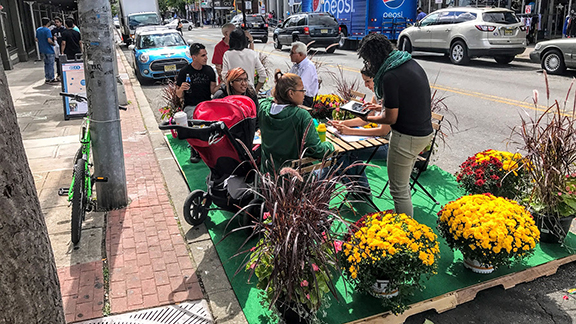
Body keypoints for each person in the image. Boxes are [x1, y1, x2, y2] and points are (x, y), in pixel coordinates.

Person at [358, 33, 433, 217]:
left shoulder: (390, 75)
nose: (368, 65)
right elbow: (406, 100)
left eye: (367, 60)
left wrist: (366, 117)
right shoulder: (408, 63)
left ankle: (405, 235)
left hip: (407, 137)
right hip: (424, 133)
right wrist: (378, 107)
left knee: (398, 190)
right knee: (403, 185)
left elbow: (390, 118)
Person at [258, 72, 333, 174]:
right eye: (302, 90)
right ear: (291, 93)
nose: (304, 93)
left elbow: (270, 99)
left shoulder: (263, 107)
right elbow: (316, 150)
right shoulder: (301, 115)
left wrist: (279, 93)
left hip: (267, 175)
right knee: (329, 169)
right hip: (294, 179)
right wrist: (330, 146)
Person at [329, 67, 390, 160]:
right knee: (343, 149)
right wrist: (342, 123)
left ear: (377, 78)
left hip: (388, 144)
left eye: (368, 81)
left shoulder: (389, 96)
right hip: (377, 139)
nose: (365, 85)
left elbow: (383, 131)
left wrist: (350, 131)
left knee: (346, 152)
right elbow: (366, 120)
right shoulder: (376, 96)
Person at [176, 43, 218, 117]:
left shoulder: (209, 70)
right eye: (203, 56)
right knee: (196, 119)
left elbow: (213, 91)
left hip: (206, 104)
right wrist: (182, 89)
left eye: (206, 55)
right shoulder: (185, 71)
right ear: (194, 57)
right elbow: (179, 95)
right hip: (191, 106)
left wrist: (223, 81)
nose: (206, 58)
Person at [222, 28, 266, 93]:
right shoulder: (252, 53)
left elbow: (224, 76)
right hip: (250, 92)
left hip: (234, 92)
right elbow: (263, 75)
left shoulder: (227, 54)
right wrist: (255, 90)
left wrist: (229, 90)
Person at [288, 41, 318, 107]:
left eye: (292, 53)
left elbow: (301, 86)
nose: (290, 55)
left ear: (300, 54)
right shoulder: (296, 65)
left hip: (304, 99)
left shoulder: (308, 67)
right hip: (294, 94)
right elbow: (288, 79)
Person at [36, 17, 57, 84]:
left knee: (46, 64)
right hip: (49, 49)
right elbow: (49, 40)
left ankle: (47, 77)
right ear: (48, 23)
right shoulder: (47, 30)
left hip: (42, 49)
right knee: (51, 64)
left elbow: (36, 39)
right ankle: (51, 77)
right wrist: (53, 44)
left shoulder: (38, 29)